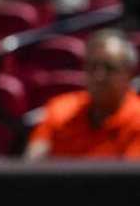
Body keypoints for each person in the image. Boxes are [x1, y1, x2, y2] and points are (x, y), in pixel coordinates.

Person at [26, 30, 140, 159]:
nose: (99, 76)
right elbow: (33, 163)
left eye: (109, 68)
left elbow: (130, 177)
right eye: (92, 66)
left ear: (129, 74)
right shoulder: (61, 109)